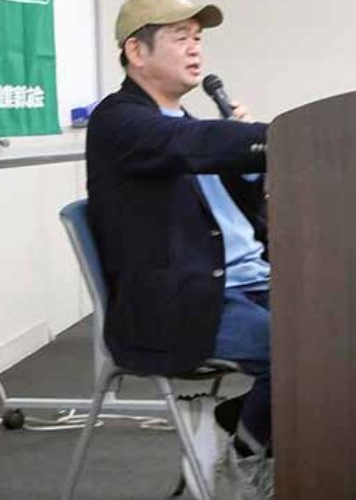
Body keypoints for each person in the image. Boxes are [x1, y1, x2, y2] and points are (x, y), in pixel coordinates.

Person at [86, 0, 272, 498]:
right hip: (187, 301)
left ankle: (233, 422)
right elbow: (189, 144)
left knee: (355, 333)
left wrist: (248, 165)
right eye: (180, 37)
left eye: (198, 38)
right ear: (136, 51)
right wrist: (265, 138)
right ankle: (245, 452)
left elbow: (235, 212)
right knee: (307, 350)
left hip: (251, 281)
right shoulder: (119, 122)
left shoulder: (185, 123)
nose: (195, 50)